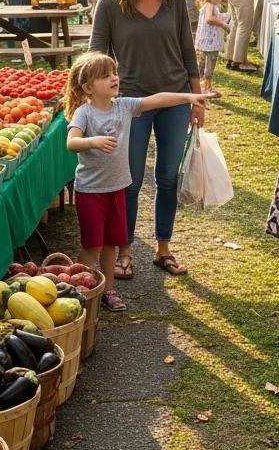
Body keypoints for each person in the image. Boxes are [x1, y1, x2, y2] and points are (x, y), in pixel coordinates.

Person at [89, 0, 205, 281]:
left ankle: (163, 249)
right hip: (130, 104)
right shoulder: (110, 4)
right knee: (131, 179)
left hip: (175, 99)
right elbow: (96, 54)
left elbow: (188, 50)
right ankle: (125, 252)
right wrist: (98, 99)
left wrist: (197, 97)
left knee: (168, 177)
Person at [65, 50, 211, 312]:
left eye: (114, 73)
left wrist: (189, 96)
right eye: (105, 76)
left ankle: (108, 289)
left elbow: (157, 99)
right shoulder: (84, 114)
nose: (114, 78)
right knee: (92, 245)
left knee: (110, 244)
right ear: (88, 87)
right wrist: (92, 141)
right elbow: (72, 142)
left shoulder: (124, 106)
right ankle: (82, 291)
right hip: (90, 192)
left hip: (116, 189)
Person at [195, 0, 230, 92]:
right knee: (209, 63)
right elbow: (210, 19)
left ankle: (201, 85)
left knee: (203, 62)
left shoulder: (210, 5)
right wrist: (223, 24)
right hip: (209, 41)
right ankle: (207, 87)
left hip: (207, 40)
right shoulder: (210, 6)